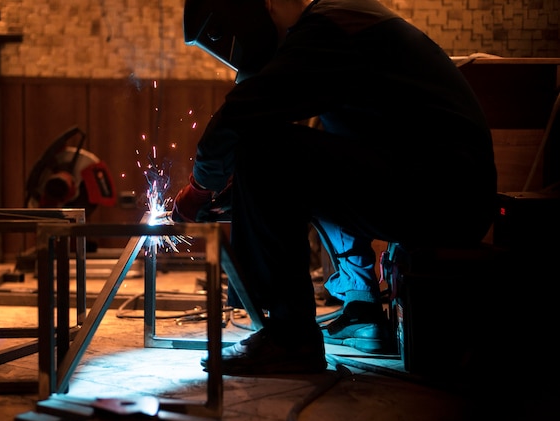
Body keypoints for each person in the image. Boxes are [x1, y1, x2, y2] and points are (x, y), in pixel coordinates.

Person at [172, 0, 497, 376]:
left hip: (445, 194)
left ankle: (291, 338)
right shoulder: (339, 24)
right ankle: (360, 308)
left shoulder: (331, 27)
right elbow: (336, 164)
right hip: (442, 189)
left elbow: (242, 114)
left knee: (264, 149)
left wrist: (200, 186)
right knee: (281, 156)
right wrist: (242, 194)